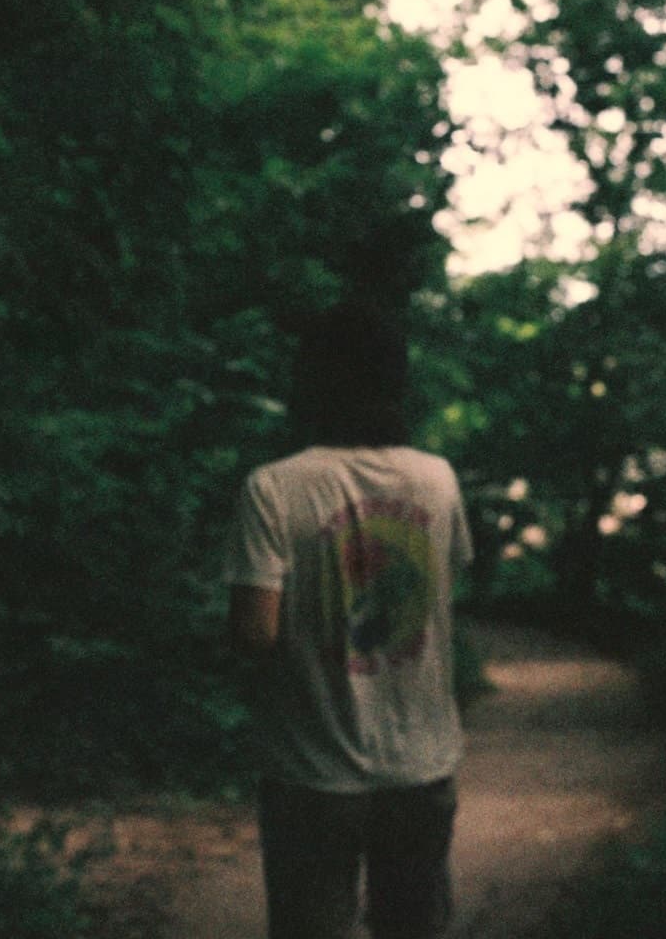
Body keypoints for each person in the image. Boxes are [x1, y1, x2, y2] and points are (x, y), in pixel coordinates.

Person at [226, 304, 473, 939]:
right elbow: (448, 587)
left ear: (312, 379)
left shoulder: (274, 487)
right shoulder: (437, 480)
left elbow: (256, 632)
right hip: (420, 765)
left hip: (311, 772)